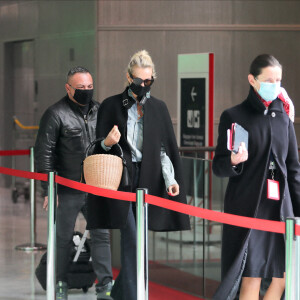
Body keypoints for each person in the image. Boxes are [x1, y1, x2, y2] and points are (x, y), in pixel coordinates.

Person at [87, 50, 191, 300]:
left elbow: (164, 149)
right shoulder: (112, 105)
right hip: (119, 179)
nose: (143, 86)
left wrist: (171, 179)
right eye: (138, 81)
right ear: (128, 77)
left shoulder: (158, 108)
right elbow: (96, 148)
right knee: (132, 239)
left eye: (148, 81)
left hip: (148, 179)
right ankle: (134, 296)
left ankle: (123, 291)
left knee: (139, 241)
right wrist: (107, 142)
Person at [212, 54, 300, 300]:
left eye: (279, 80)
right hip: (249, 209)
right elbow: (218, 166)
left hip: (281, 210)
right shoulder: (234, 116)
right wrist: (233, 161)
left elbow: (293, 168)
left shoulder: (284, 118)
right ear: (252, 80)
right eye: (268, 80)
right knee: (251, 276)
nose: (275, 85)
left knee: (284, 276)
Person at [35, 66, 113, 300]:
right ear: (68, 88)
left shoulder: (100, 110)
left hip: (96, 185)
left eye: (90, 87)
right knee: (63, 237)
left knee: (101, 235)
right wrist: (49, 189)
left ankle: (106, 283)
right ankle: (60, 281)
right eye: (81, 88)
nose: (86, 91)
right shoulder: (55, 113)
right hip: (67, 187)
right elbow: (44, 154)